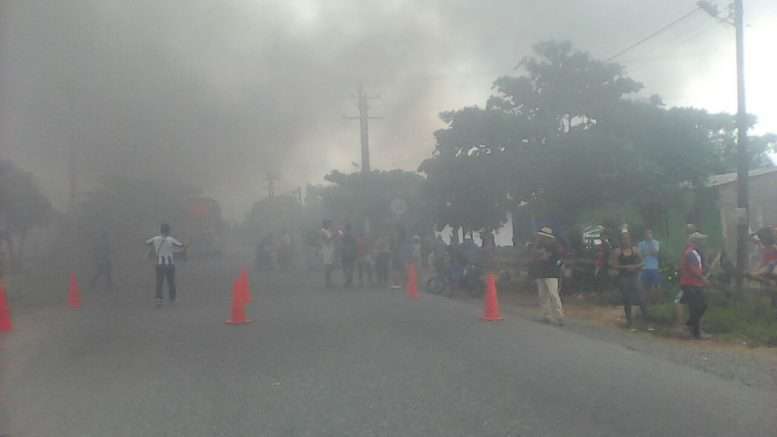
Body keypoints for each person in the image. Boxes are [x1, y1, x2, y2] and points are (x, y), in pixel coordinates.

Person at [612, 231, 647, 328]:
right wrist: (625, 267)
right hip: (624, 277)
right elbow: (614, 265)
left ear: (630, 239)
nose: (626, 241)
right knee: (627, 298)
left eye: (627, 238)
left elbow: (643, 262)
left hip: (634, 275)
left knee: (641, 297)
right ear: (621, 240)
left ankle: (646, 319)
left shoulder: (635, 250)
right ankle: (629, 320)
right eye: (624, 239)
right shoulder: (618, 251)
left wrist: (635, 266)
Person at [145, 224, 185, 306]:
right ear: (168, 231)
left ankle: (158, 299)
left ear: (161, 230)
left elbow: (147, 242)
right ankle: (172, 299)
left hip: (160, 264)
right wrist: (185, 246)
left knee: (159, 282)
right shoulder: (170, 239)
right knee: (171, 282)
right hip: (170, 265)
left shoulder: (155, 238)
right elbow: (180, 245)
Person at [679, 232, 710, 339]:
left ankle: (693, 330)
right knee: (699, 306)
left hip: (694, 283)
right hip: (691, 283)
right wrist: (703, 278)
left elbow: (697, 268)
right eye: (701, 240)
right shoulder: (691, 253)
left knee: (697, 307)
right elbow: (693, 270)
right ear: (696, 241)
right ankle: (693, 329)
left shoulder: (694, 252)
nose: (703, 242)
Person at [532, 227, 564, 325]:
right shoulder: (538, 245)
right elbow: (534, 256)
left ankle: (559, 316)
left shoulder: (555, 246)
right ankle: (546, 315)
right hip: (541, 272)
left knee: (553, 294)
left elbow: (559, 257)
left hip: (551, 273)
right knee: (542, 295)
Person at [638, 229, 661, 294]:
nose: (648, 235)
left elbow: (656, 253)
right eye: (647, 233)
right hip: (644, 267)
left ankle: (656, 300)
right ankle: (646, 300)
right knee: (644, 285)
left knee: (656, 285)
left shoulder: (656, 242)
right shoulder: (641, 244)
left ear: (652, 234)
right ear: (644, 235)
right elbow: (640, 255)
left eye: (649, 233)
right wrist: (649, 253)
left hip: (654, 267)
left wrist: (651, 243)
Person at [340, 224, 358, 288]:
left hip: (345, 253)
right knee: (351, 268)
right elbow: (355, 245)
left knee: (345, 268)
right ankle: (349, 280)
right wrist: (355, 253)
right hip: (351, 254)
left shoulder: (343, 236)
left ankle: (348, 280)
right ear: (350, 229)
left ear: (345, 228)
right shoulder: (353, 236)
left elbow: (342, 245)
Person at [320, 220, 336, 288]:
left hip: (330, 250)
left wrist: (334, 236)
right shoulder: (323, 231)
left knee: (330, 266)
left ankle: (329, 281)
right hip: (326, 251)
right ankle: (328, 282)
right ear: (325, 224)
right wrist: (335, 235)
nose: (330, 225)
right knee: (327, 266)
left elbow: (330, 239)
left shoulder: (328, 230)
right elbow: (327, 240)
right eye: (329, 224)